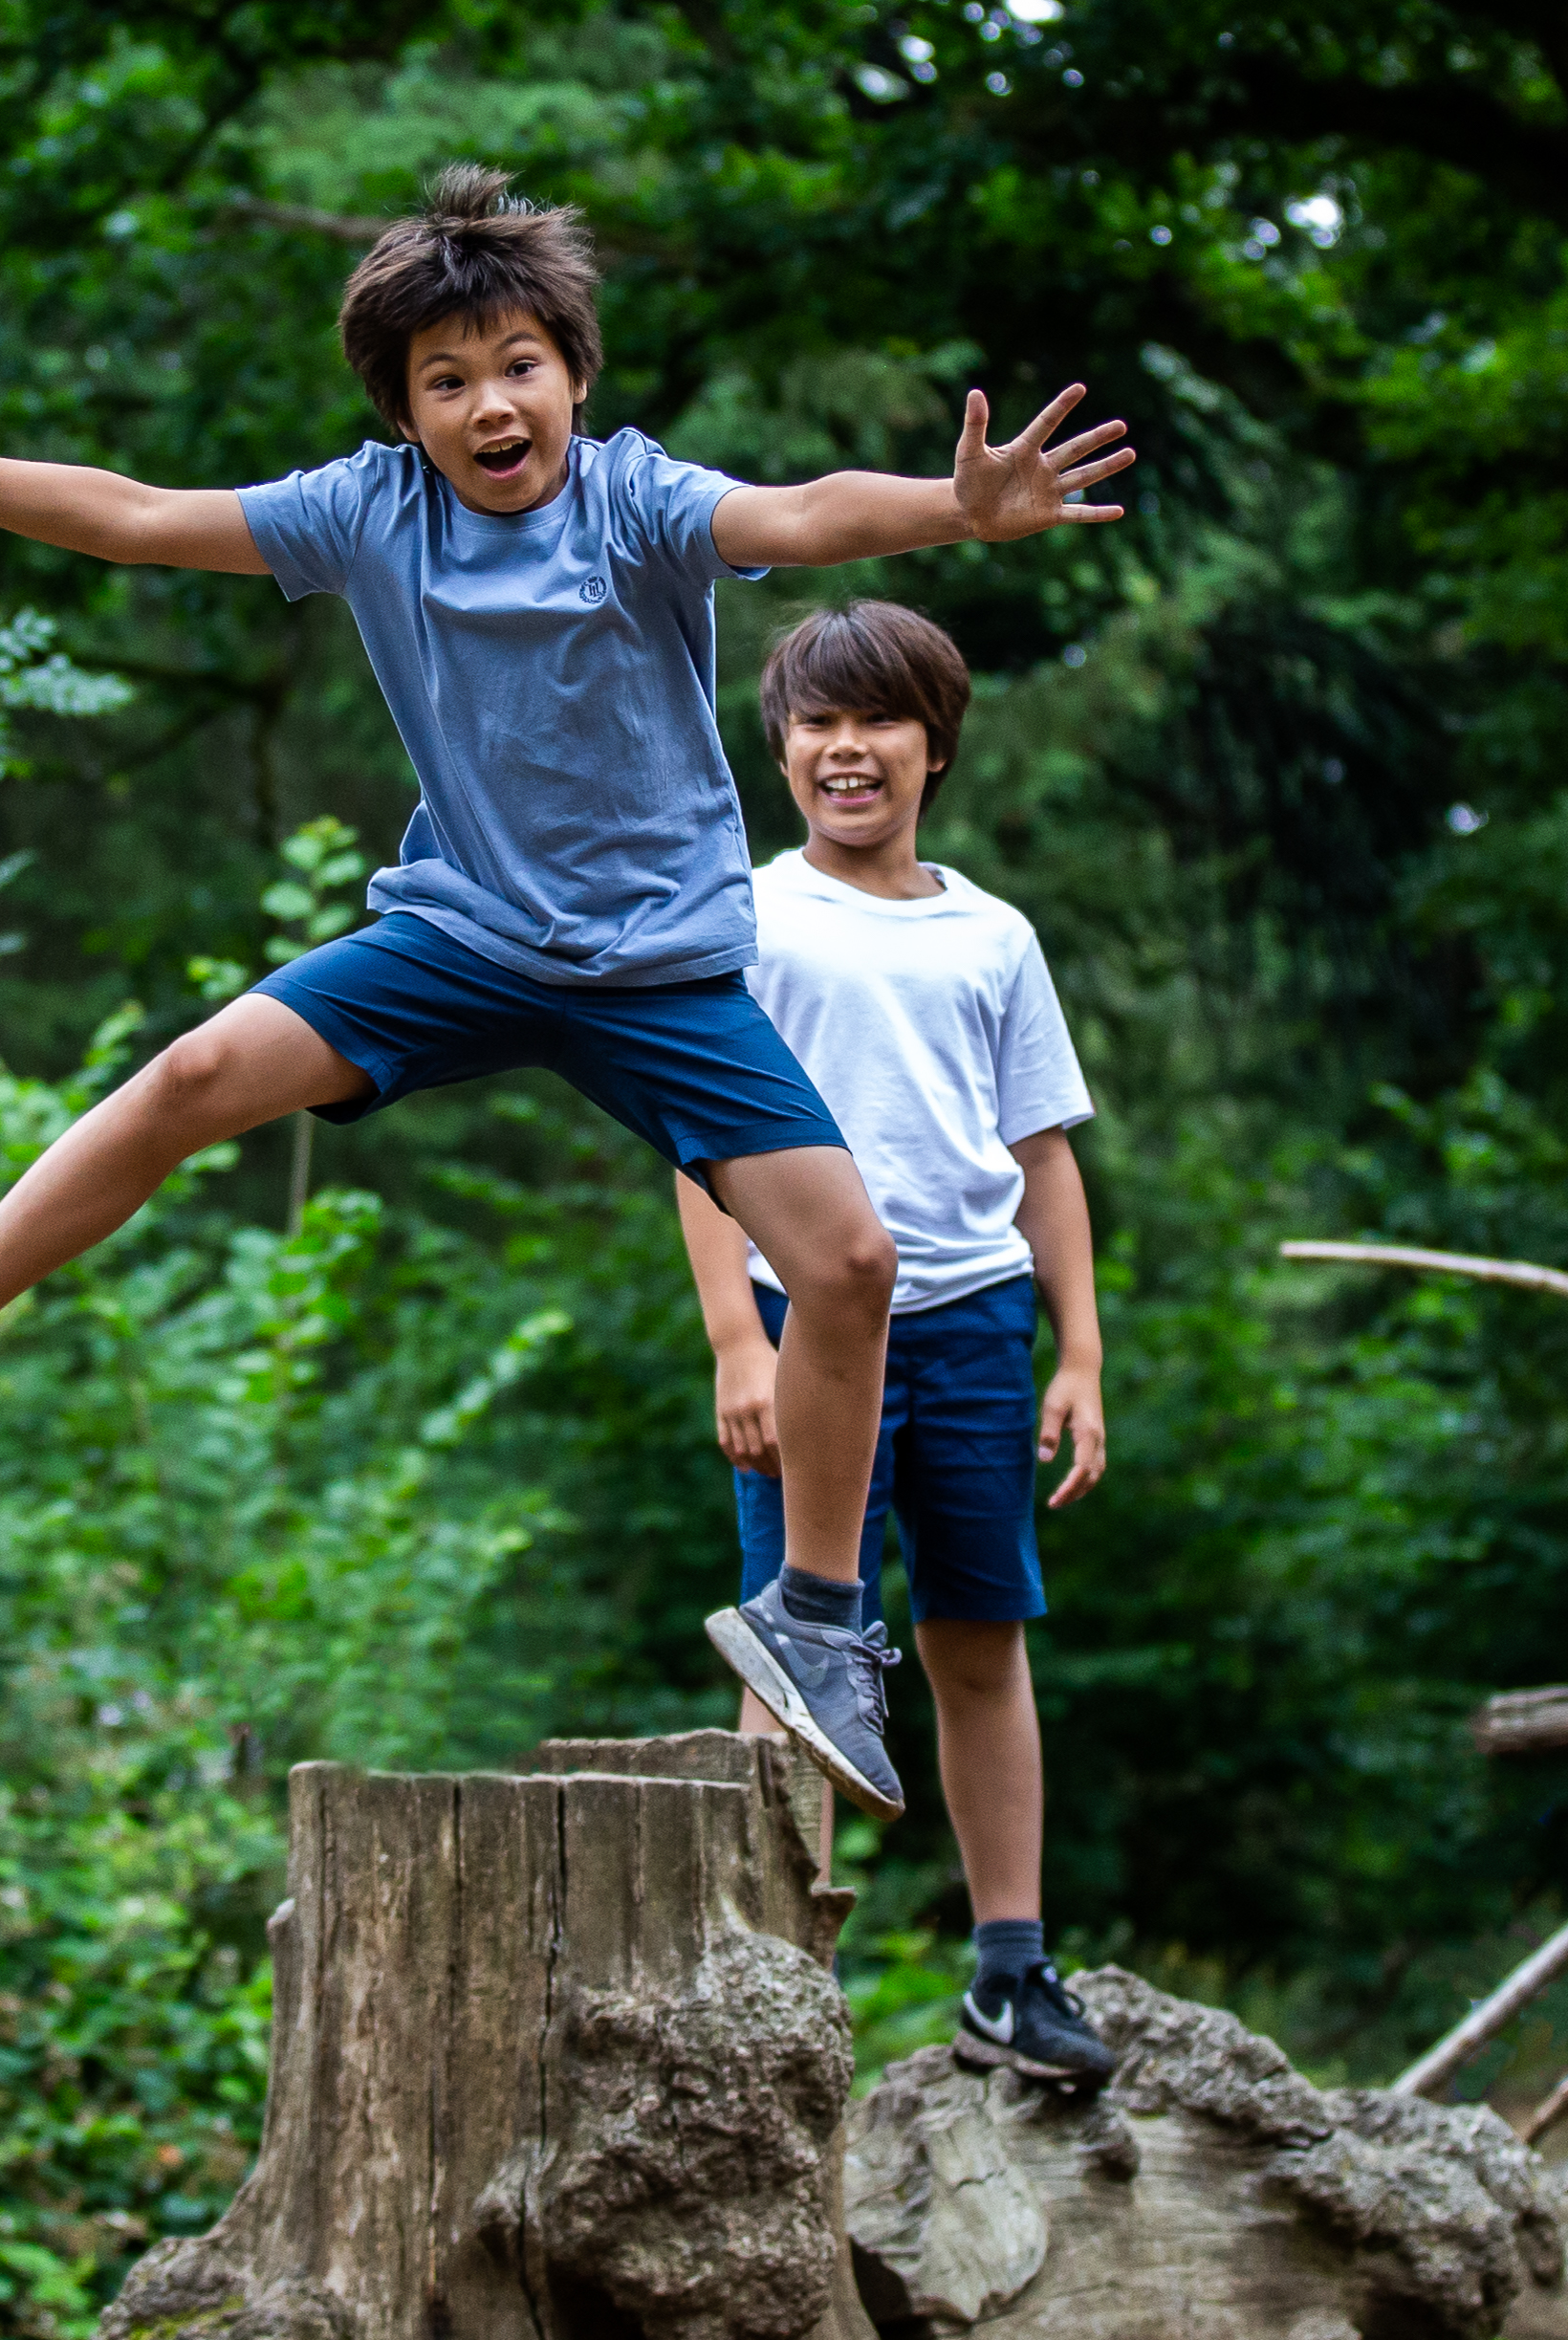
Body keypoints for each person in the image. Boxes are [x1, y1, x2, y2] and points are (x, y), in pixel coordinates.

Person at [0, 165, 1131, 1821]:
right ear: (402, 412)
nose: (489, 403)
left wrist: (956, 512)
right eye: (444, 380)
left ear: (575, 377)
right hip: (459, 936)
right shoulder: (367, 515)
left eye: (518, 363)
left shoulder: (636, 502)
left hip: (664, 971)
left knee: (854, 1260)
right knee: (191, 1078)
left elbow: (797, 515)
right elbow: (141, 515)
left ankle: (819, 1623)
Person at [671, 600, 1117, 2084]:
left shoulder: (994, 933)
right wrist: (738, 1338)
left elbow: (1043, 1155)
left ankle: (1011, 1975)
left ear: (935, 748)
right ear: (782, 748)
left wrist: (1080, 1357)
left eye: (880, 723)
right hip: (806, 1324)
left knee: (978, 1644)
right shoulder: (740, 914)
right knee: (797, 1642)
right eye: (818, 723)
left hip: (976, 1319)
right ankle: (749, 1983)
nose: (846, 750)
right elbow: (698, 1147)